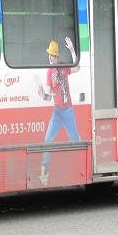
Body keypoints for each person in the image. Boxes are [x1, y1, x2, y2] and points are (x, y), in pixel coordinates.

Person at [37, 37, 81, 186]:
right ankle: (44, 173)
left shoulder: (64, 67)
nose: (50, 57)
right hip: (57, 112)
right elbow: (48, 96)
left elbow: (77, 68)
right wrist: (42, 93)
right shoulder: (49, 72)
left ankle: (79, 170)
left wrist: (72, 50)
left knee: (75, 140)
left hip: (68, 111)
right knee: (47, 141)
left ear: (57, 56)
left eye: (53, 55)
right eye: (49, 55)